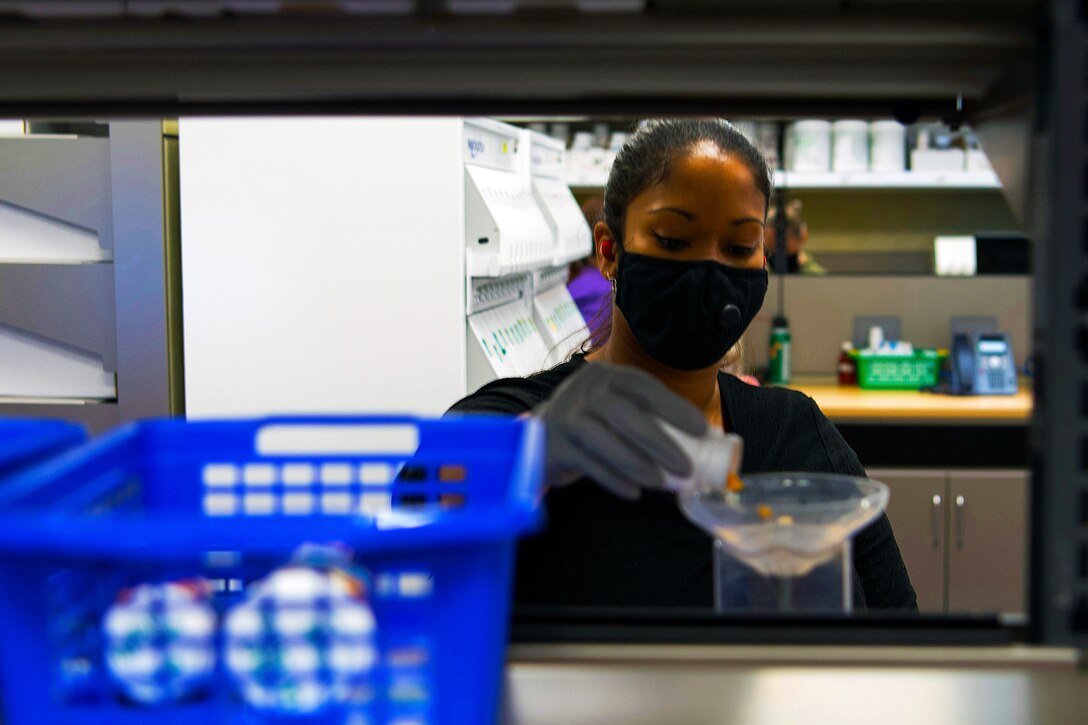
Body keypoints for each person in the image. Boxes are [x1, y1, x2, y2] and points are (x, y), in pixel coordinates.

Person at [449, 119, 915, 610]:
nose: (709, 272)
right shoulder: (521, 418)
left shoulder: (794, 434)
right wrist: (531, 453)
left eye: (738, 248)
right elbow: (423, 505)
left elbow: (904, 639)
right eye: (673, 240)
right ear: (609, 250)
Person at [764, 198, 827, 275]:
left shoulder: (817, 276)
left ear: (802, 237)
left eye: (783, 245)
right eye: (770, 245)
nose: (775, 250)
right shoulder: (759, 272)